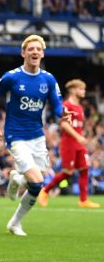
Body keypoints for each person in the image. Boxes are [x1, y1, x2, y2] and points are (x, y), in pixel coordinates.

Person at [0, 35, 71, 236]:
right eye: (30, 49)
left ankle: (16, 182)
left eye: (38, 49)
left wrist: (62, 112)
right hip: (15, 135)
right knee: (36, 181)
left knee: (36, 184)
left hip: (37, 136)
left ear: (42, 53)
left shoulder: (48, 79)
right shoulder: (12, 77)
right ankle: (15, 223)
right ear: (23, 53)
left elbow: (56, 103)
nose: (35, 52)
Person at [38, 79, 100, 208]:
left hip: (79, 144)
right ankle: (45, 191)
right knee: (68, 172)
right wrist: (78, 137)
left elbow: (78, 126)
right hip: (69, 143)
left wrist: (84, 135)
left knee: (84, 169)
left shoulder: (80, 107)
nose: (84, 91)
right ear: (73, 90)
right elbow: (64, 124)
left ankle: (83, 201)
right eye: (81, 89)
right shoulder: (66, 105)